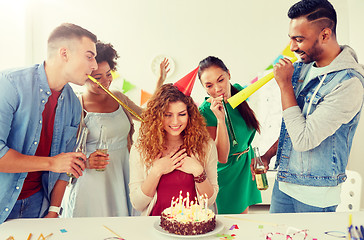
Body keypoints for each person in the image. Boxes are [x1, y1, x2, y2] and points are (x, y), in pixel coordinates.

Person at [254, 0, 364, 213]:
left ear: (325, 34)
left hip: (316, 194)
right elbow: (296, 125)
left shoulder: (348, 83)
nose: (292, 47)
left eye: (299, 39)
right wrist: (269, 154)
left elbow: (304, 140)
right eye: (291, 39)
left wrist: (285, 85)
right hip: (284, 184)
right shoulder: (303, 68)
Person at [0, 23, 98, 223]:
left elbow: (66, 164)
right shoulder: (9, 84)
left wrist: (54, 209)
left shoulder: (73, 105)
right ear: (64, 53)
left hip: (38, 204)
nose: (94, 66)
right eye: (89, 56)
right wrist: (53, 163)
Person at [62, 42, 169, 217]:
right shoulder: (76, 105)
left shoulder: (118, 97)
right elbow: (64, 152)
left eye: (108, 74)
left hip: (123, 173)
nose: (106, 81)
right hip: (92, 181)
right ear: (85, 76)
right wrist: (87, 162)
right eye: (98, 77)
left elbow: (148, 116)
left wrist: (160, 81)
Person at [129, 83, 219, 216]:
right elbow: (137, 204)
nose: (175, 121)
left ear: (190, 115)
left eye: (181, 114)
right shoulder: (140, 149)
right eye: (168, 115)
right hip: (155, 225)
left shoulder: (206, 146)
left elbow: (210, 201)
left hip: (193, 226)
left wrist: (198, 172)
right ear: (158, 116)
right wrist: (156, 172)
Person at [198, 56, 262, 214]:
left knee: (244, 220)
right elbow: (222, 157)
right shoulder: (206, 112)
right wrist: (220, 119)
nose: (217, 89)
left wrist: (252, 155)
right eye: (209, 85)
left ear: (229, 75)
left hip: (245, 166)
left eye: (221, 80)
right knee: (230, 226)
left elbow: (245, 134)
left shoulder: (240, 92)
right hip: (225, 173)